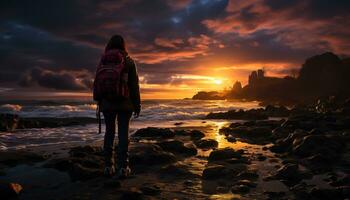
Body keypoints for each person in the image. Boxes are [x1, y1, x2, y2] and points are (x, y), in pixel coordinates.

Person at [93, 35, 141, 178]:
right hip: (125, 103)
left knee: (109, 132)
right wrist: (137, 104)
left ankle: (108, 166)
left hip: (106, 103)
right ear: (123, 46)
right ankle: (123, 168)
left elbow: (97, 83)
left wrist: (99, 101)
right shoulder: (128, 61)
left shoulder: (102, 61)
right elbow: (134, 86)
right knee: (123, 134)